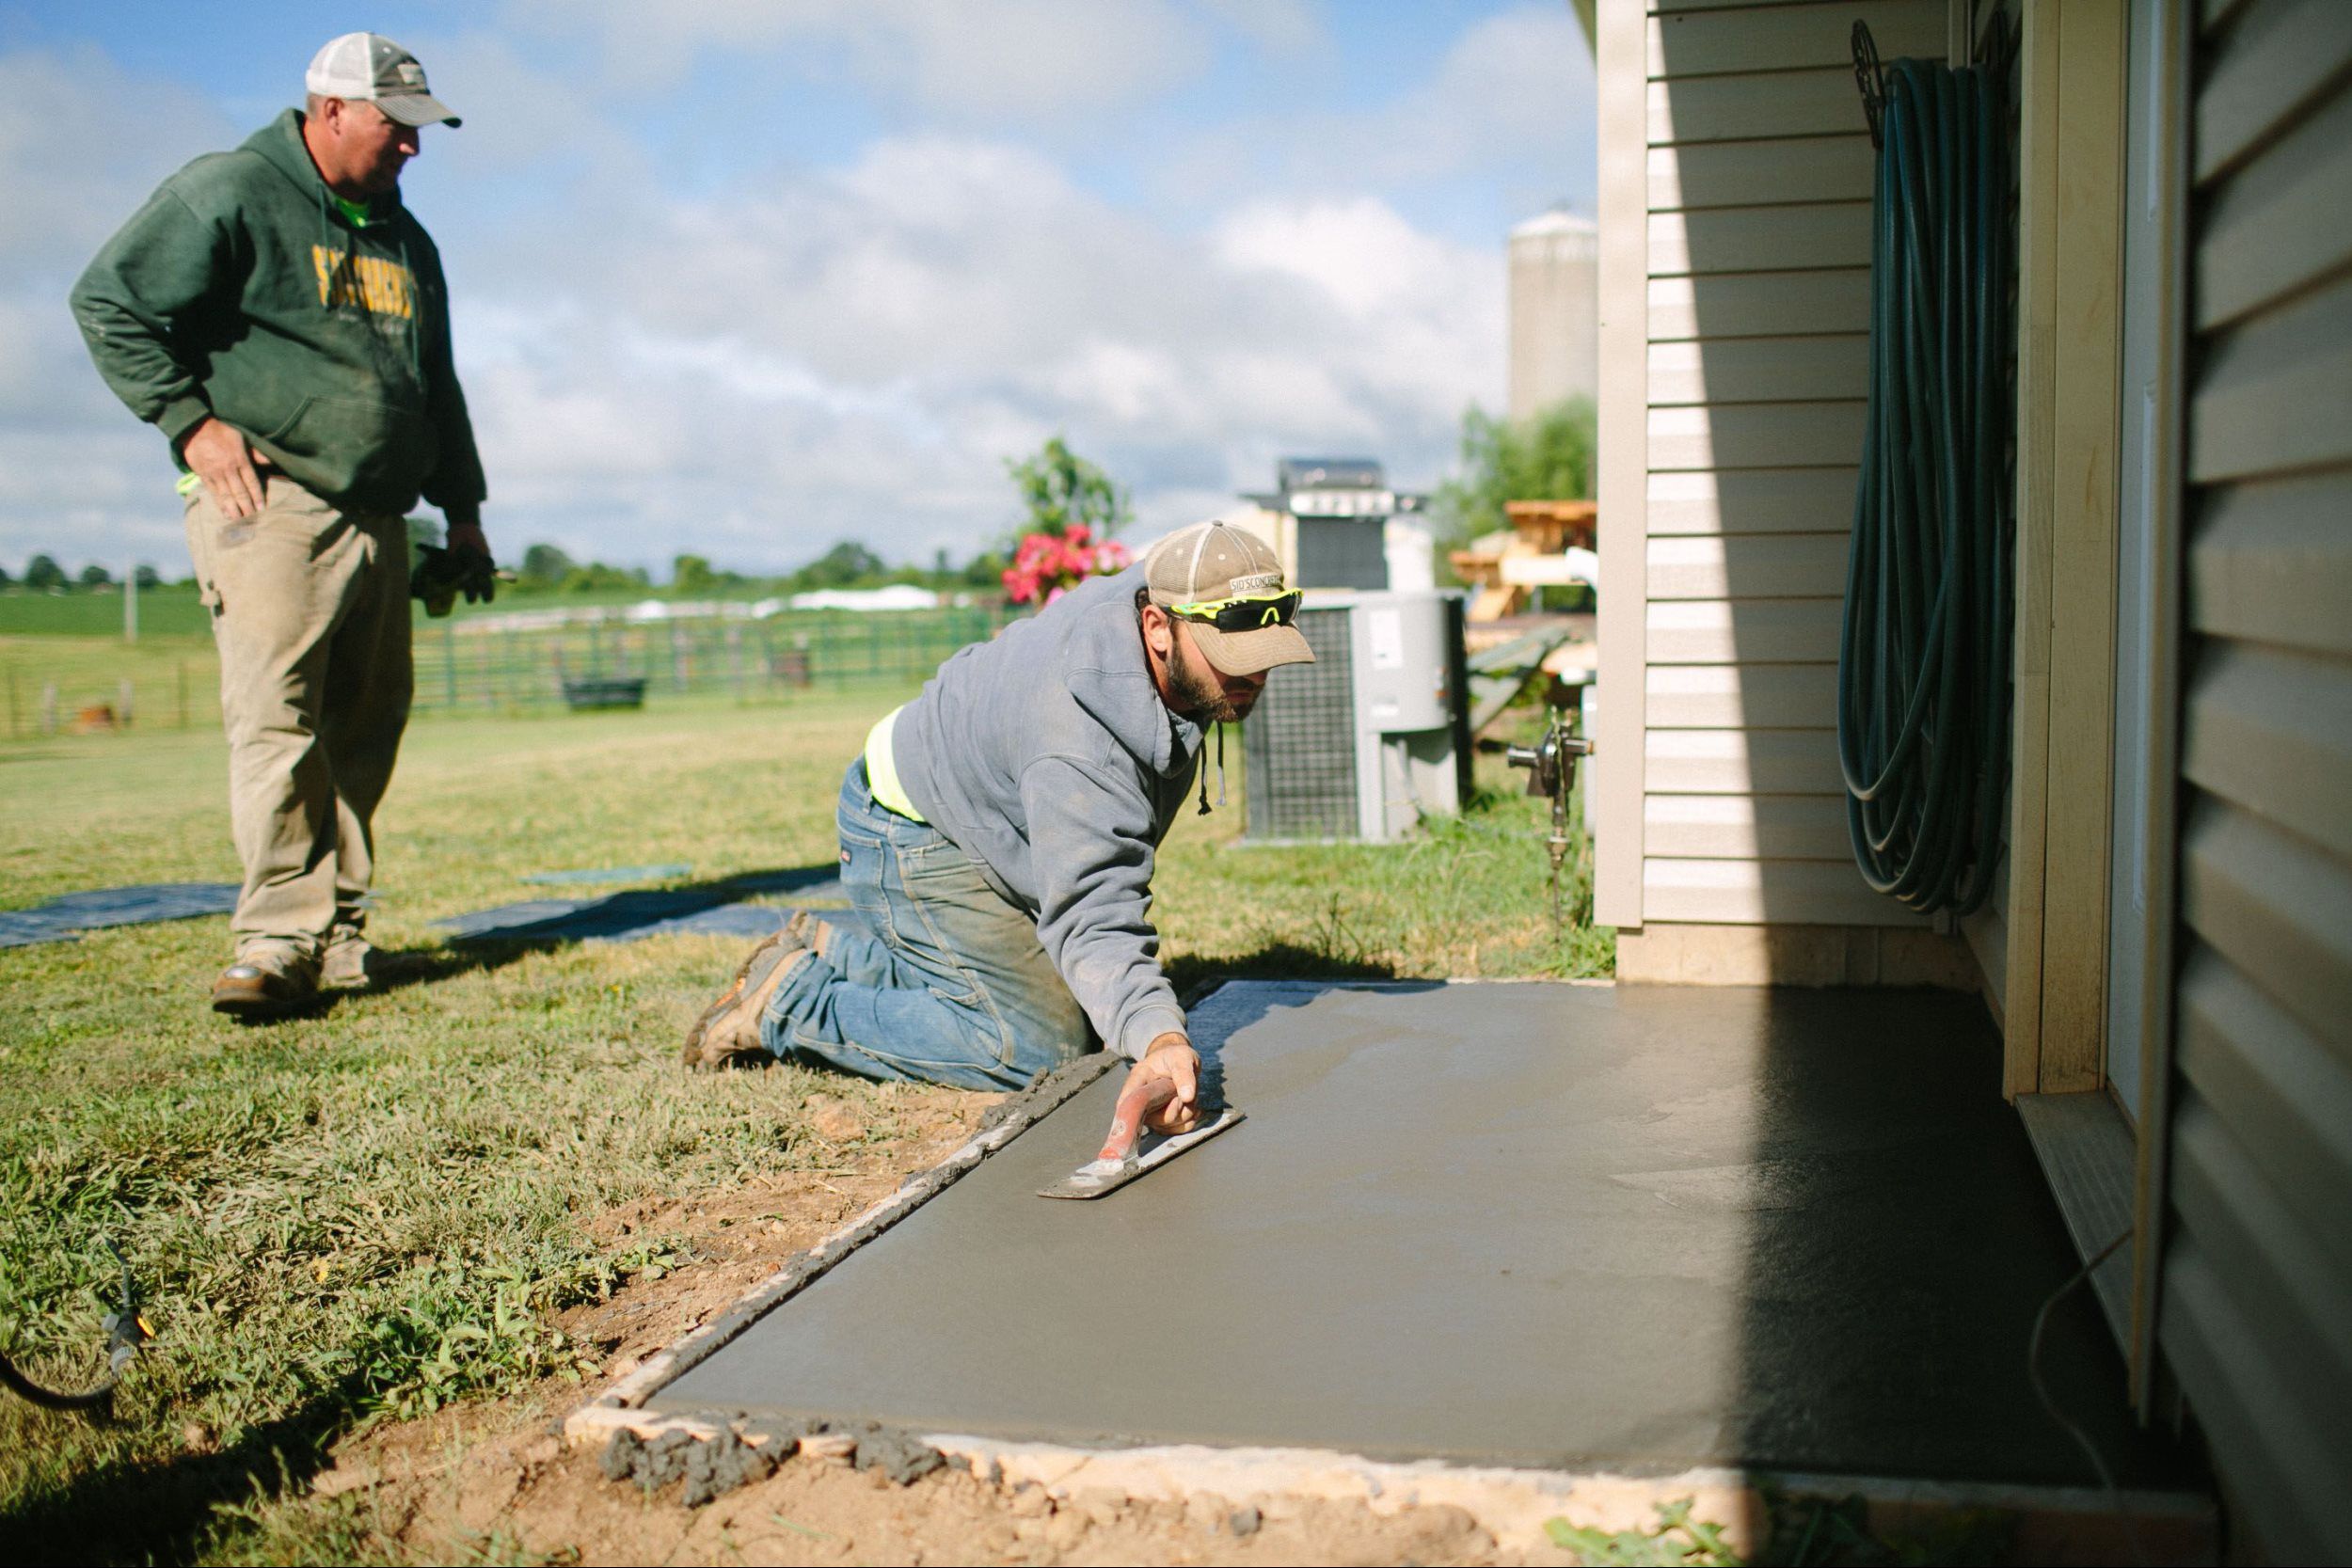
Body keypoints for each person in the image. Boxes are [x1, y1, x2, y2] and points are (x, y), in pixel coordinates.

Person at [70, 34, 489, 1016]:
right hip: (272, 503)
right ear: (331, 110)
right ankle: (274, 937)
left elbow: (441, 390)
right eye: (396, 129)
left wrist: (462, 513)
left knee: (364, 729)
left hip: (381, 516)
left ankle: (337, 937)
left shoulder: (405, 238)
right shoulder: (231, 191)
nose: (412, 152)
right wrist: (193, 423)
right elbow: (109, 300)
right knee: (277, 722)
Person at [683, 520, 1313, 1149]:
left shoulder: (1165, 596)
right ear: (1156, 627)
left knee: (1098, 1012)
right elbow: (1092, 916)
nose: (1253, 676)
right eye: (1231, 658)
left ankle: (837, 952)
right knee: (1039, 1045)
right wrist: (1162, 1040)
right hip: (908, 831)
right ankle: (791, 1001)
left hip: (975, 806)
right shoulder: (1078, 745)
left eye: (1262, 656)